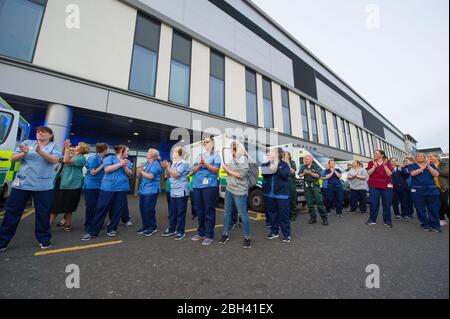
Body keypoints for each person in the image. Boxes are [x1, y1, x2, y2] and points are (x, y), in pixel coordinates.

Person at [0, 126, 61, 252]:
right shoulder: (27, 143)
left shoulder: (55, 146)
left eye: (43, 132)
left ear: (50, 135)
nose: (40, 133)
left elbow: (54, 160)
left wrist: (40, 152)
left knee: (43, 214)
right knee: (12, 212)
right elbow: (13, 158)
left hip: (43, 186)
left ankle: (43, 239)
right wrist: (24, 153)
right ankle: (2, 241)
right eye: (38, 131)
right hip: (22, 183)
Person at [82, 145, 132, 241]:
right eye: (127, 151)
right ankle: (93, 231)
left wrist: (124, 165)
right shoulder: (110, 158)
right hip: (108, 188)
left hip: (121, 189)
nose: (128, 153)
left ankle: (112, 229)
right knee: (101, 208)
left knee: (117, 210)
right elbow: (107, 170)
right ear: (121, 151)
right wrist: (120, 164)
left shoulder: (128, 162)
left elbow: (129, 173)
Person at [50, 140, 89, 232]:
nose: (75, 146)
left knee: (69, 205)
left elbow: (67, 161)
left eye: (77, 145)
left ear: (81, 149)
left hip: (72, 185)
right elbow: (59, 159)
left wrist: (67, 148)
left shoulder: (81, 158)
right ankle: (47, 225)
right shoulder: (72, 155)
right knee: (54, 205)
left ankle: (67, 224)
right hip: (60, 182)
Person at [219, 142, 252, 248]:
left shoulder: (243, 159)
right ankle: (225, 234)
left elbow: (242, 175)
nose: (231, 151)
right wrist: (227, 170)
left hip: (239, 191)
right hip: (230, 189)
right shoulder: (234, 159)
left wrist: (228, 170)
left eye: (232, 149)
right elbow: (232, 173)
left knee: (243, 214)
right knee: (227, 213)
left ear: (237, 149)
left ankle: (247, 237)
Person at [190, 136, 221, 246]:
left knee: (208, 210)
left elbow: (216, 169)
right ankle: (201, 232)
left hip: (209, 186)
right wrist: (199, 165)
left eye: (207, 142)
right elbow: (192, 170)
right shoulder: (199, 156)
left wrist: (206, 164)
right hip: (197, 185)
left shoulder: (216, 155)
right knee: (199, 210)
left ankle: (209, 235)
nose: (205, 144)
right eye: (204, 142)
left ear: (212, 143)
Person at [262, 148, 292, 242]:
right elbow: (264, 174)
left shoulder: (284, 165)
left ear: (277, 155)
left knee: (283, 215)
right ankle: (274, 232)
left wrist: (277, 168)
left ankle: (286, 234)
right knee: (272, 215)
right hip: (270, 194)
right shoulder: (267, 164)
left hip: (281, 194)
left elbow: (285, 176)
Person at [161, 146, 190, 240]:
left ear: (179, 153)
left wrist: (168, 167)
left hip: (181, 191)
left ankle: (181, 231)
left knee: (180, 212)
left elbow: (176, 175)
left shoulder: (183, 163)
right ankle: (172, 229)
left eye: (174, 151)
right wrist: (166, 167)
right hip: (173, 190)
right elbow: (169, 175)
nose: (173, 153)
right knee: (172, 211)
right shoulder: (173, 164)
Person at [410, 153, 441, 232]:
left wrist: (429, 166)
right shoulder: (412, 165)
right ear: (416, 158)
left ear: (425, 158)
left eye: (421, 156)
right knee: (420, 208)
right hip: (418, 190)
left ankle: (435, 225)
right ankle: (425, 224)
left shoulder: (431, 165)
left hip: (431, 189)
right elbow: (413, 174)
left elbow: (436, 174)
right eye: (418, 156)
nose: (420, 157)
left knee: (433, 208)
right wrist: (423, 167)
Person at [136, 149, 162, 237]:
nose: (147, 154)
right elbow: (139, 175)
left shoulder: (156, 164)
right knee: (142, 208)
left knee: (149, 209)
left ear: (152, 155)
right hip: (143, 189)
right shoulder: (146, 163)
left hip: (152, 190)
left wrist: (142, 171)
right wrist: (139, 171)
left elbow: (151, 176)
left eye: (148, 152)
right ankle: (145, 226)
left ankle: (153, 227)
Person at [83, 143, 109, 231]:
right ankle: (88, 224)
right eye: (107, 149)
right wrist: (102, 165)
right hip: (91, 185)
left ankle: (96, 223)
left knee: (99, 206)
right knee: (90, 205)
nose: (108, 150)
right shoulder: (93, 158)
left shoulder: (103, 158)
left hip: (100, 185)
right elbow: (93, 172)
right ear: (104, 150)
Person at [366, 150, 394, 228]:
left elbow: (389, 174)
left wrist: (384, 165)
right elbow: (369, 173)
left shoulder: (387, 163)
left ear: (382, 155)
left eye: (376, 153)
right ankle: (372, 220)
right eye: (374, 153)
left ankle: (387, 221)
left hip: (386, 186)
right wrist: (374, 166)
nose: (374, 154)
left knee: (387, 204)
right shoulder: (371, 163)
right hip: (374, 186)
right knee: (374, 203)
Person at [298, 155, 329, 226]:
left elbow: (318, 176)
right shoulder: (303, 166)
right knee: (309, 203)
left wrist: (310, 173)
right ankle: (313, 217)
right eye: (305, 159)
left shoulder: (315, 166)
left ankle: (324, 218)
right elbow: (300, 175)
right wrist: (303, 173)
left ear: (312, 159)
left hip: (315, 185)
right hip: (307, 186)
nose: (306, 160)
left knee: (319, 202)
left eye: (308, 159)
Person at [427, 153, 448, 227]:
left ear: (437, 157)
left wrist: (434, 169)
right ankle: (442, 219)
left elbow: (446, 173)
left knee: (444, 203)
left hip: (442, 186)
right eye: (428, 156)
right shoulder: (428, 165)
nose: (429, 157)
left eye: (431, 156)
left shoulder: (444, 164)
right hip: (433, 187)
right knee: (438, 204)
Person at [284, 152, 298, 221]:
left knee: (292, 199)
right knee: (286, 200)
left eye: (287, 155)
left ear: (289, 156)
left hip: (291, 183)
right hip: (284, 184)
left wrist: (288, 165)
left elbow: (293, 171)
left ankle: (293, 214)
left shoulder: (292, 162)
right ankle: (288, 214)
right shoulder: (282, 163)